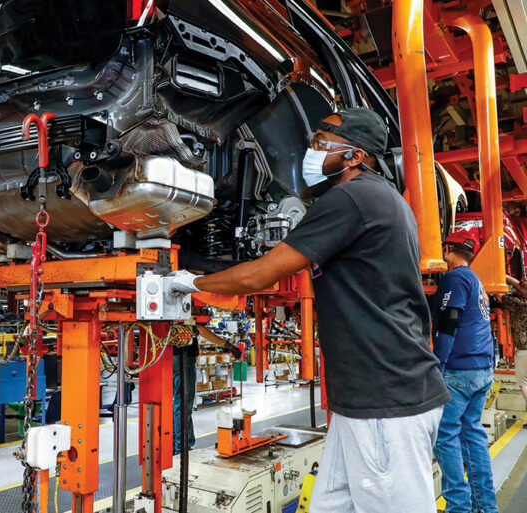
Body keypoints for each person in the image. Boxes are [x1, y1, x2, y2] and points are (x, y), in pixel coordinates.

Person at [170, 108, 449, 513]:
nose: (311, 150)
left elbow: (257, 277)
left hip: (384, 400)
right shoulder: (378, 197)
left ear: (354, 156)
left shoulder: (352, 197)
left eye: (322, 143)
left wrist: (187, 282)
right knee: (329, 506)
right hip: (366, 398)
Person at [430, 230, 498, 513]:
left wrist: (438, 365)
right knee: (472, 433)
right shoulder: (475, 279)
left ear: (447, 250)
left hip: (459, 369)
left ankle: (458, 507)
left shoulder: (455, 277)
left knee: (445, 434)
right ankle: (485, 506)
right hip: (482, 367)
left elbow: (449, 320)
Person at [173, 326, 242, 454]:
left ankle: (176, 444)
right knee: (183, 405)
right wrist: (229, 346)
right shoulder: (188, 313)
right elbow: (202, 330)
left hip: (172, 358)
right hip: (184, 358)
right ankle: (182, 448)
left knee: (176, 403)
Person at [498, 275, 527, 415]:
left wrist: (500, 274)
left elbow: (499, 295)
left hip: (524, 350)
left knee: (524, 384)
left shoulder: (519, 304)